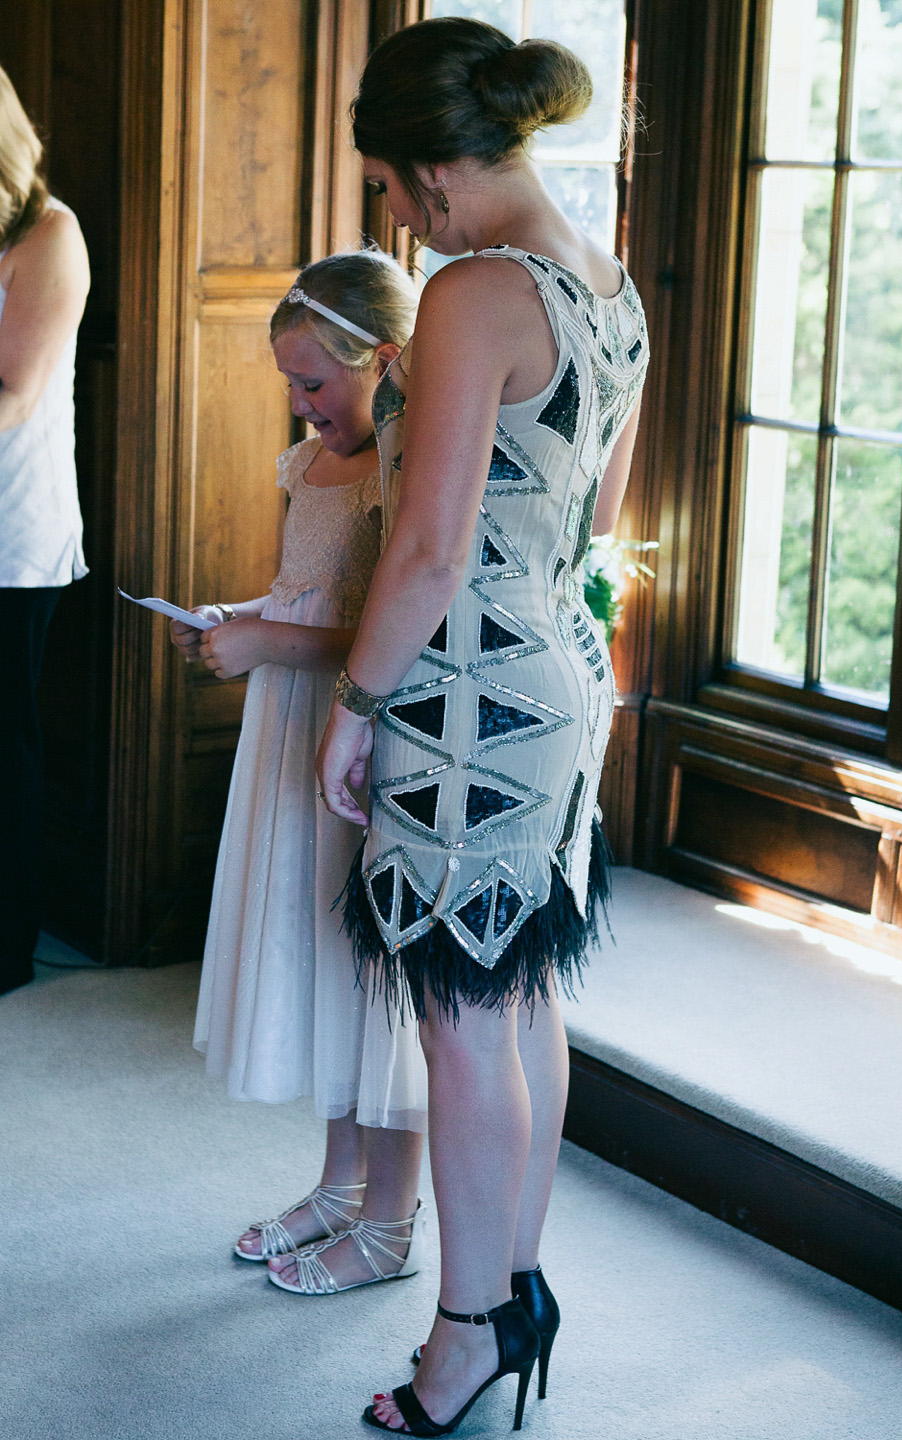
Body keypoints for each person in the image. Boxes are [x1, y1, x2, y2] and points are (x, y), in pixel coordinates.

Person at [316, 17, 649, 1435]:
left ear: (438, 179)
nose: (394, 213)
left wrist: (355, 703)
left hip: (465, 696)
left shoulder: (469, 290)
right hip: (563, 672)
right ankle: (511, 1291)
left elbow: (432, 547)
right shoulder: (610, 285)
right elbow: (600, 523)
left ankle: (462, 1338)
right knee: (520, 998)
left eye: (391, 186)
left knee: (461, 1017)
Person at [171, 251, 429, 1295]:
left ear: (383, 362)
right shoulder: (307, 465)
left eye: (315, 381)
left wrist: (271, 647)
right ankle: (336, 1184)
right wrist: (246, 618)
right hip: (292, 733)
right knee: (321, 957)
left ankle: (391, 1218)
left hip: (362, 741)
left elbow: (385, 637)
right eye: (290, 381)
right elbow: (306, 595)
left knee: (374, 977)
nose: (300, 401)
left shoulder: (404, 473)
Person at [0, 66, 90, 997]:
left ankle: (5, 948)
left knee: (2, 740)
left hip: (9, 531)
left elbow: (13, 398)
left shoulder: (48, 233)